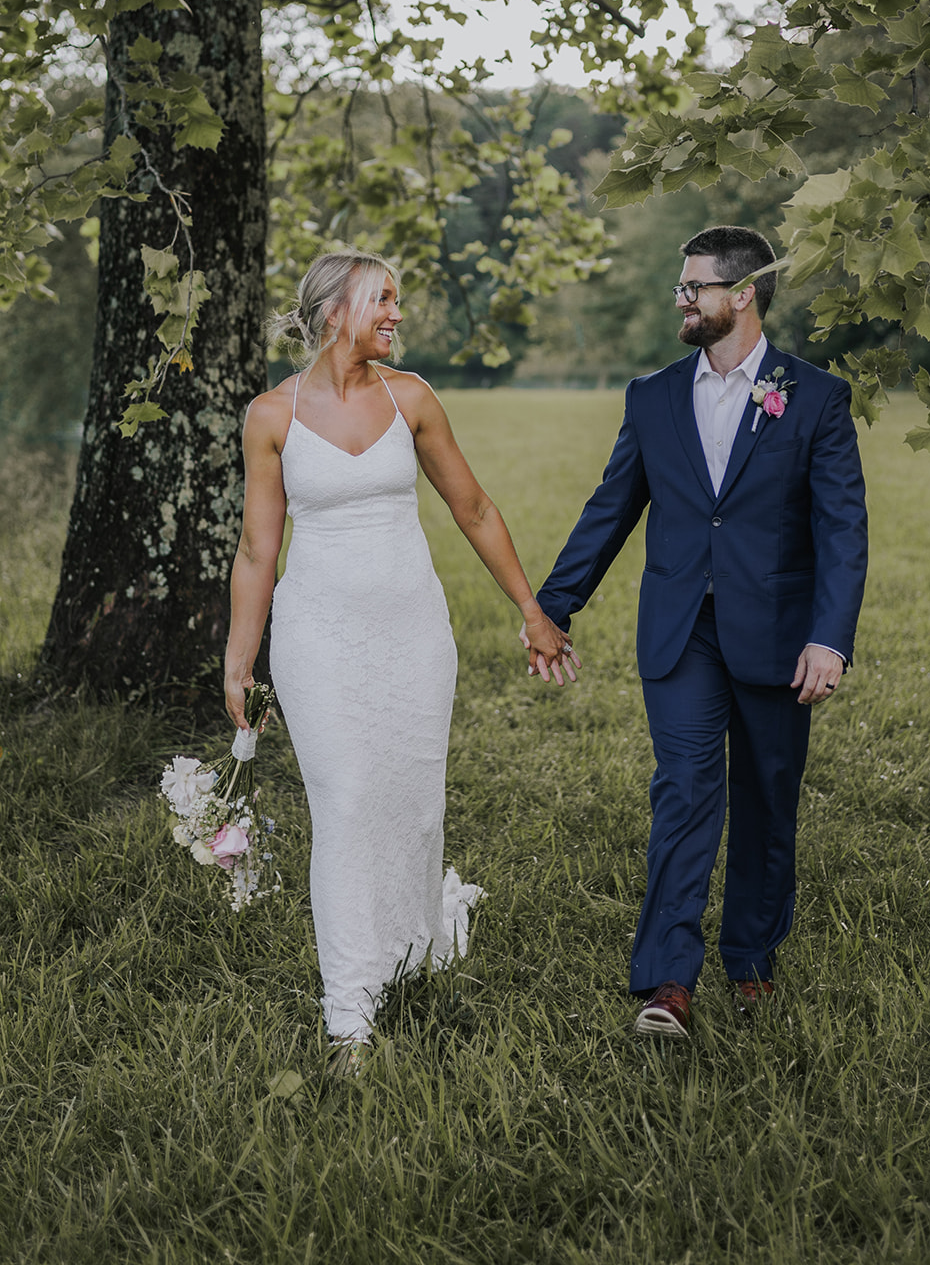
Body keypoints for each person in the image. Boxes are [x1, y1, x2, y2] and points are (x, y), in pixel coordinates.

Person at [224, 247, 579, 1074]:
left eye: (396, 301)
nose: (395, 315)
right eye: (382, 300)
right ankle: (349, 1012)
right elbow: (254, 550)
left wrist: (532, 611)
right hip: (317, 638)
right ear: (336, 309)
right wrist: (241, 661)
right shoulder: (270, 416)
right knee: (346, 803)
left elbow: (474, 507)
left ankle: (411, 946)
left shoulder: (412, 398)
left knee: (411, 805)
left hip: (415, 634)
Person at [529, 225, 867, 1038]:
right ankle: (666, 982)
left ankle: (750, 961)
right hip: (680, 632)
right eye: (679, 287)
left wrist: (830, 638)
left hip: (780, 635)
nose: (680, 298)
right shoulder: (650, 396)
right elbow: (610, 509)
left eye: (694, 287)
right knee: (683, 794)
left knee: (766, 799)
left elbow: (841, 529)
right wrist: (552, 606)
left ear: (741, 293)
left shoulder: (813, 395)